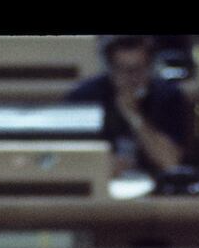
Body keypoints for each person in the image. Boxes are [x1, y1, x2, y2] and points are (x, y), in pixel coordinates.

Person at [64, 34, 187, 177]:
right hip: (102, 182)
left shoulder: (168, 97)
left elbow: (170, 163)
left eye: (137, 69)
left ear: (150, 67)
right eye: (122, 69)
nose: (131, 79)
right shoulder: (84, 97)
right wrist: (103, 164)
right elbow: (69, 158)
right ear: (109, 68)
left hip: (155, 182)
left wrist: (134, 116)